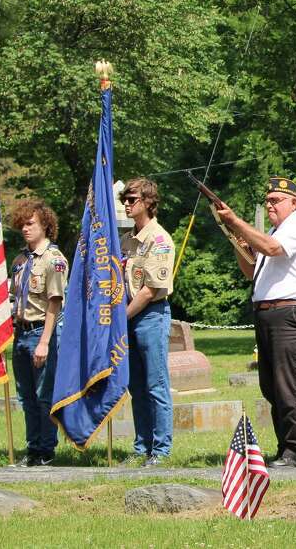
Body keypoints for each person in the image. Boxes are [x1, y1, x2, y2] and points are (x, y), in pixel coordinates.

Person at [217, 176, 296, 468]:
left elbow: (272, 249)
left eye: (276, 200)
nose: (270, 205)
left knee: (289, 384)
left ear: (294, 203)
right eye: (268, 201)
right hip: (272, 314)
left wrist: (237, 221)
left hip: (294, 314)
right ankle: (285, 447)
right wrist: (236, 239)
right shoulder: (276, 231)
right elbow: (251, 270)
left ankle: (295, 450)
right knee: (273, 386)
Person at [119, 177, 176, 467]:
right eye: (125, 200)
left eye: (132, 200)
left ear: (148, 202)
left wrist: (121, 319)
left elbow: (150, 290)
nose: (127, 205)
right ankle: (142, 446)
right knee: (136, 386)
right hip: (129, 316)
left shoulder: (160, 240)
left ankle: (161, 449)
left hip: (151, 315)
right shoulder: (127, 241)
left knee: (156, 385)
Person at [8, 199, 68, 467]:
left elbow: (54, 302)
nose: (25, 229)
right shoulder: (20, 260)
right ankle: (32, 448)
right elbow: (13, 298)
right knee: (26, 396)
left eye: (30, 223)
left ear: (45, 224)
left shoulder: (53, 260)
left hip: (40, 332)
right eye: (22, 224)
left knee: (44, 396)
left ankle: (46, 449)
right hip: (20, 332)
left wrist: (44, 342)